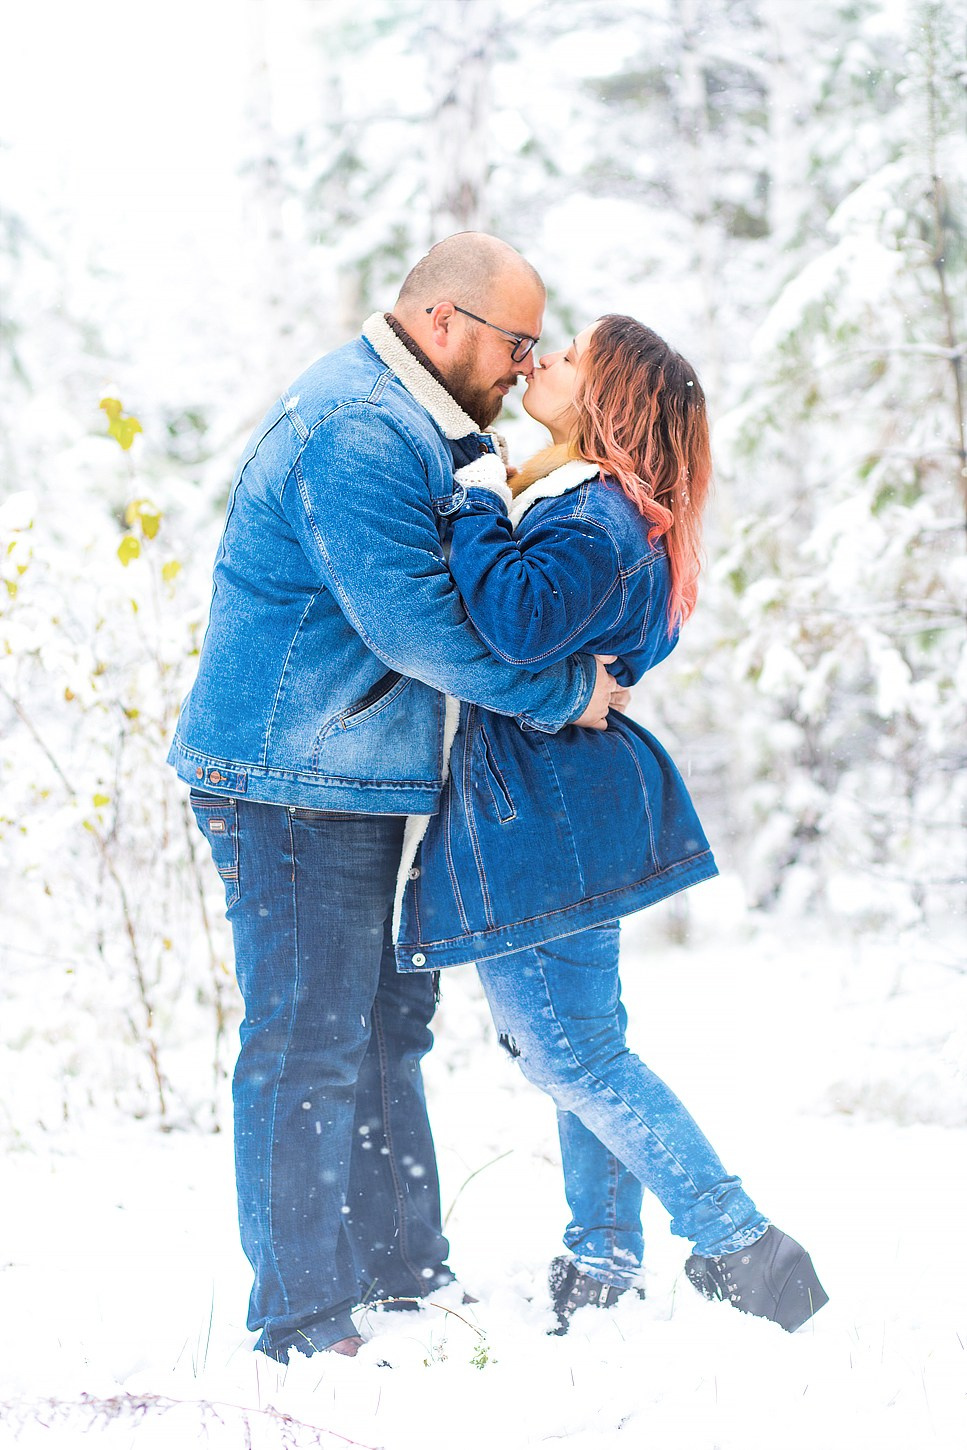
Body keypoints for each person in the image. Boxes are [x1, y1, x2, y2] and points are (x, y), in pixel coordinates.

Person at [167, 234, 625, 1362]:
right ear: (442, 322)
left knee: (383, 1027)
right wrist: (564, 691)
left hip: (349, 769)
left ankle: (398, 1270)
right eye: (516, 342)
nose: (525, 368)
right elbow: (416, 626)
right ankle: (303, 1317)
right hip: (283, 777)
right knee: (309, 1037)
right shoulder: (361, 428)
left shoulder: (421, 420)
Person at [394, 314, 828, 1334]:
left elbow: (512, 618)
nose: (541, 362)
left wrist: (474, 491)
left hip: (540, 815)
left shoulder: (591, 514)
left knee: (571, 1055)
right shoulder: (620, 516)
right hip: (565, 807)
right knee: (582, 1045)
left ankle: (740, 1244)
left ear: (609, 403)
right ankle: (601, 1259)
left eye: (570, 357)